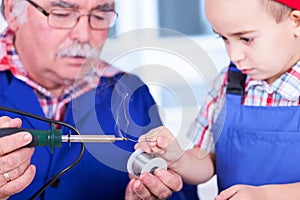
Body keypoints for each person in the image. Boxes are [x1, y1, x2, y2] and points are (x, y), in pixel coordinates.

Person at [0, 0, 199, 199]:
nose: (84, 35)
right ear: (12, 11)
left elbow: (179, 190)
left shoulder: (129, 94)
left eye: (99, 15)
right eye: (62, 13)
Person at [136, 0, 300, 199]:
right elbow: (207, 161)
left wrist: (265, 195)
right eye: (224, 38)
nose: (235, 55)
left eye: (246, 39)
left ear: (296, 22)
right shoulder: (227, 83)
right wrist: (177, 159)